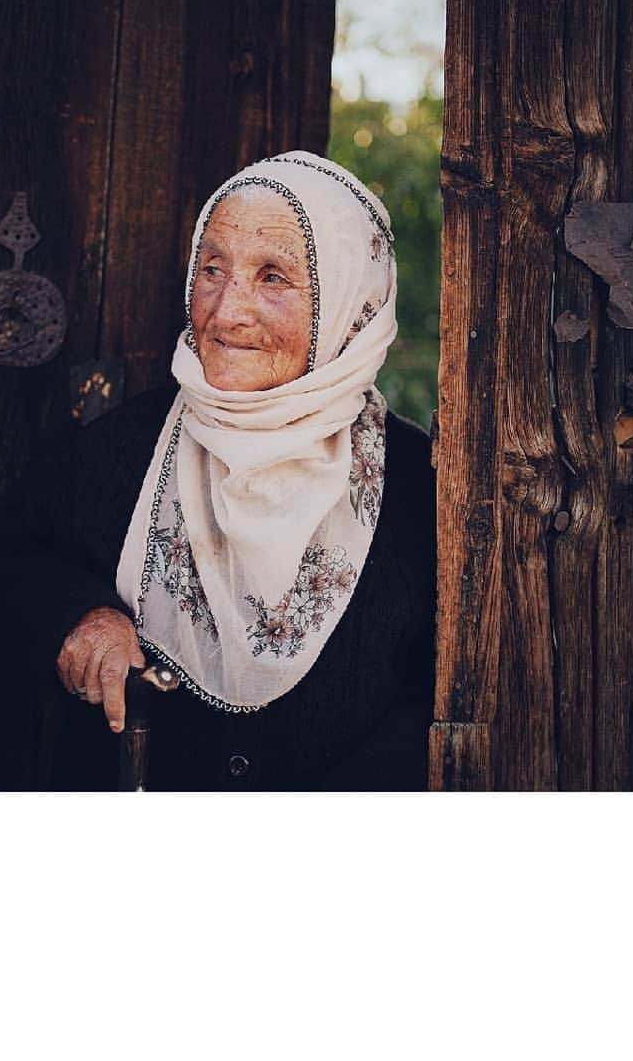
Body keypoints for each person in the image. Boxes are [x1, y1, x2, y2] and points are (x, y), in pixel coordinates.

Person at [37, 150, 435, 790]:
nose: (225, 313)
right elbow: (8, 553)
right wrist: (81, 615)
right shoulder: (124, 447)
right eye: (212, 268)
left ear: (350, 305)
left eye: (273, 277)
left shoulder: (419, 484)